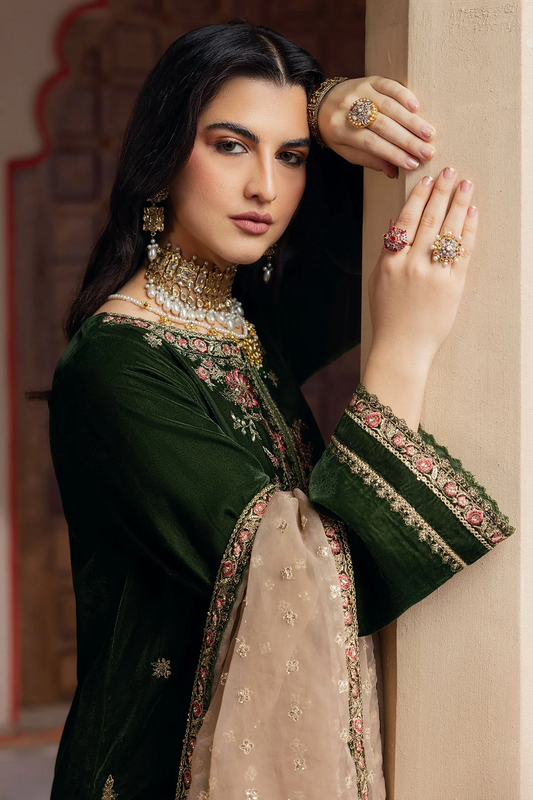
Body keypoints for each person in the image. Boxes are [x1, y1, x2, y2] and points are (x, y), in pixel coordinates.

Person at [47, 19, 514, 800]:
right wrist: (401, 350)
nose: (265, 187)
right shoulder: (114, 365)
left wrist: (328, 104)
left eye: (290, 155)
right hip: (154, 764)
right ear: (163, 154)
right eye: (230, 146)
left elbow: (361, 206)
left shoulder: (247, 316)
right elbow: (299, 569)